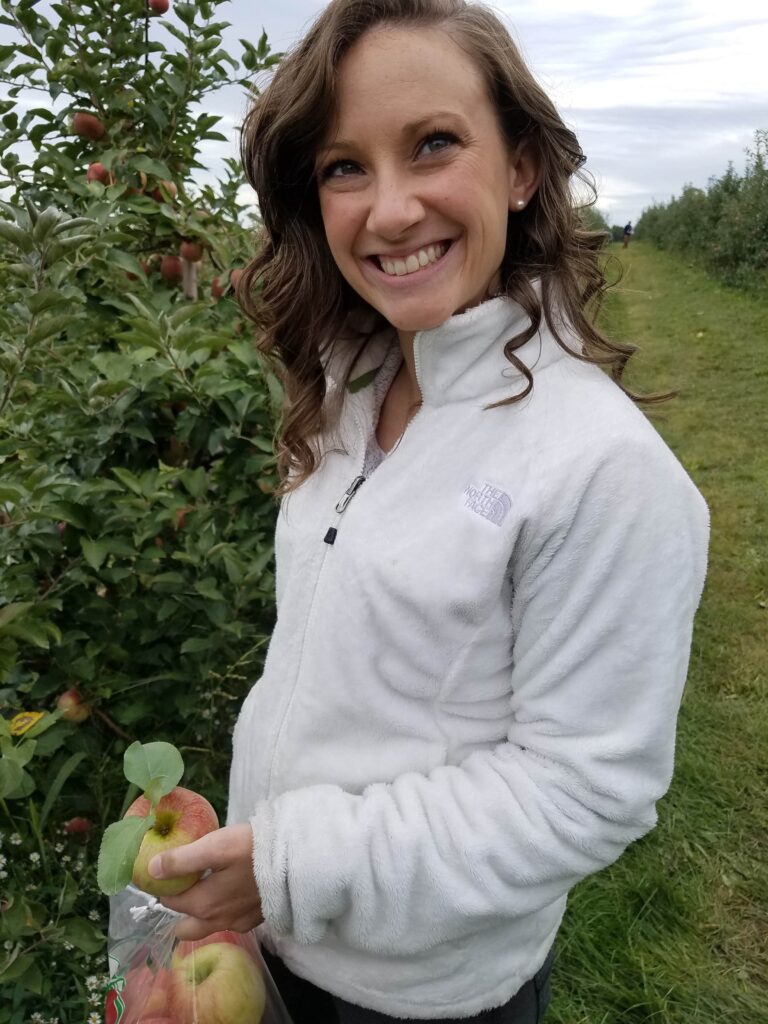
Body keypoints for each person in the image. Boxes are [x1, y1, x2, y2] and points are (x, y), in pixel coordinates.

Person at [145, 1, 709, 1021]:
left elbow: (581, 793)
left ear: (523, 166)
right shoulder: (347, 392)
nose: (391, 209)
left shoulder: (603, 470)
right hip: (267, 944)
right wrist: (257, 875)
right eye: (343, 166)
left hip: (418, 994)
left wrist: (288, 863)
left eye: (434, 144)